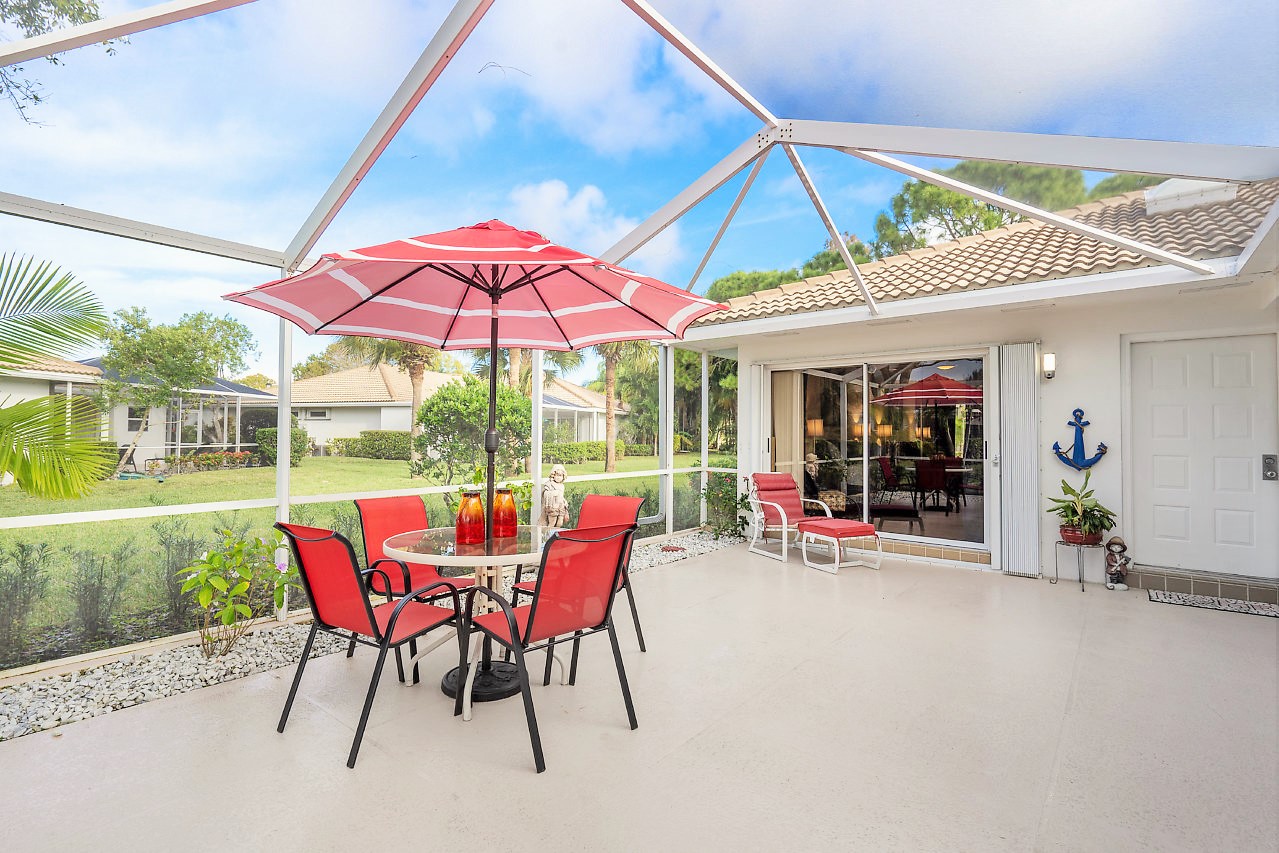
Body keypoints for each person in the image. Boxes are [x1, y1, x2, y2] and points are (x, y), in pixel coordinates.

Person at [539, 463, 570, 528]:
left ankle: (556, 533)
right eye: (557, 475)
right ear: (553, 475)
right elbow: (545, 494)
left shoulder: (562, 486)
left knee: (560, 522)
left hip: (560, 506)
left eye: (560, 475)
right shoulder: (549, 484)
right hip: (552, 506)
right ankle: (548, 535)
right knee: (552, 522)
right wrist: (554, 493)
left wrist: (564, 502)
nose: (558, 477)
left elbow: (561, 496)